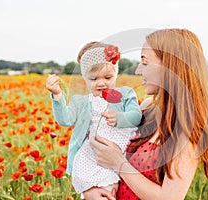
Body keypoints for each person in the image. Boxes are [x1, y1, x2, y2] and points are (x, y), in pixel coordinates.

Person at [90, 28, 208, 199]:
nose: (138, 71)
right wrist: (93, 190)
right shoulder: (147, 108)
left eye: (145, 63)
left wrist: (117, 163)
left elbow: (169, 197)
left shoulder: (188, 130)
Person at [45, 41, 142, 199]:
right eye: (94, 79)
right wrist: (57, 96)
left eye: (108, 77)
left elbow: (136, 116)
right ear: (86, 79)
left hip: (119, 156)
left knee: (113, 191)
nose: (101, 83)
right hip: (91, 157)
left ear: (115, 74)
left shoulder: (125, 94)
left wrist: (120, 117)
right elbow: (65, 120)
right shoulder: (81, 102)